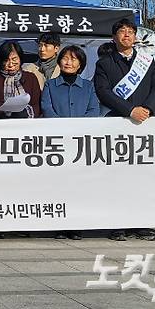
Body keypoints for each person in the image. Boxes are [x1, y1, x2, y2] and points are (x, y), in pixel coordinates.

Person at [94, 18, 155, 241]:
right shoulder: (105, 64)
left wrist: (148, 109)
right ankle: (117, 225)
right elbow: (103, 92)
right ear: (114, 37)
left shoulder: (146, 61)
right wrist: (129, 109)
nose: (127, 35)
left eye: (131, 31)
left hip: (144, 125)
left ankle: (141, 224)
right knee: (118, 176)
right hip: (118, 124)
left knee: (142, 177)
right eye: (122, 31)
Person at [41, 45, 99, 240]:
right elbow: (46, 108)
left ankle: (76, 224)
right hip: (57, 142)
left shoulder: (88, 86)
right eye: (65, 58)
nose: (69, 62)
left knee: (79, 185)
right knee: (58, 184)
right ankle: (59, 224)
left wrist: (78, 128)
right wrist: (62, 127)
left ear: (80, 64)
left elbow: (94, 111)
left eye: (74, 59)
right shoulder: (50, 85)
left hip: (80, 143)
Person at [0, 41, 41, 119]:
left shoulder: (31, 77)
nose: (10, 64)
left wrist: (26, 112)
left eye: (14, 59)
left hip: (26, 122)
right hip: (0, 122)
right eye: (6, 60)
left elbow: (37, 104)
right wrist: (7, 108)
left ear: (20, 58)